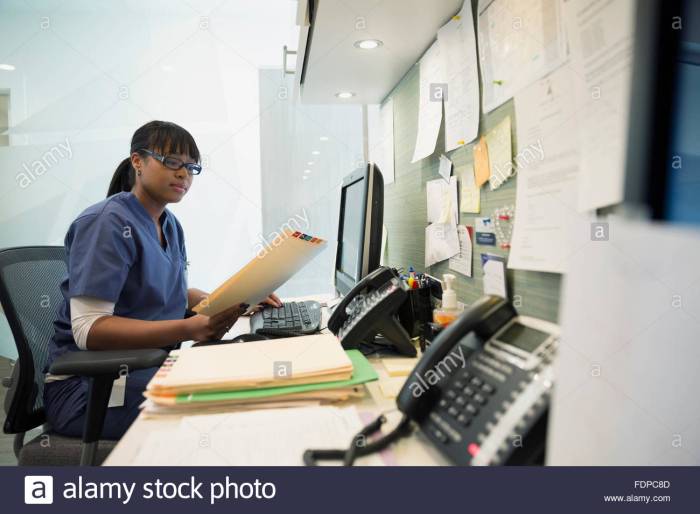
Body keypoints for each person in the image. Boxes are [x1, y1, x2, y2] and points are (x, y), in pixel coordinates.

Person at [43, 120, 281, 439]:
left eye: (191, 167)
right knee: (225, 413)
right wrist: (189, 327)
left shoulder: (169, 224)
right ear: (137, 161)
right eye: (171, 162)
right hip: (90, 389)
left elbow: (169, 294)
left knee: (246, 383)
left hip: (143, 369)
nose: (183, 174)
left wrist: (239, 299)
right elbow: (89, 329)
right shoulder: (106, 223)